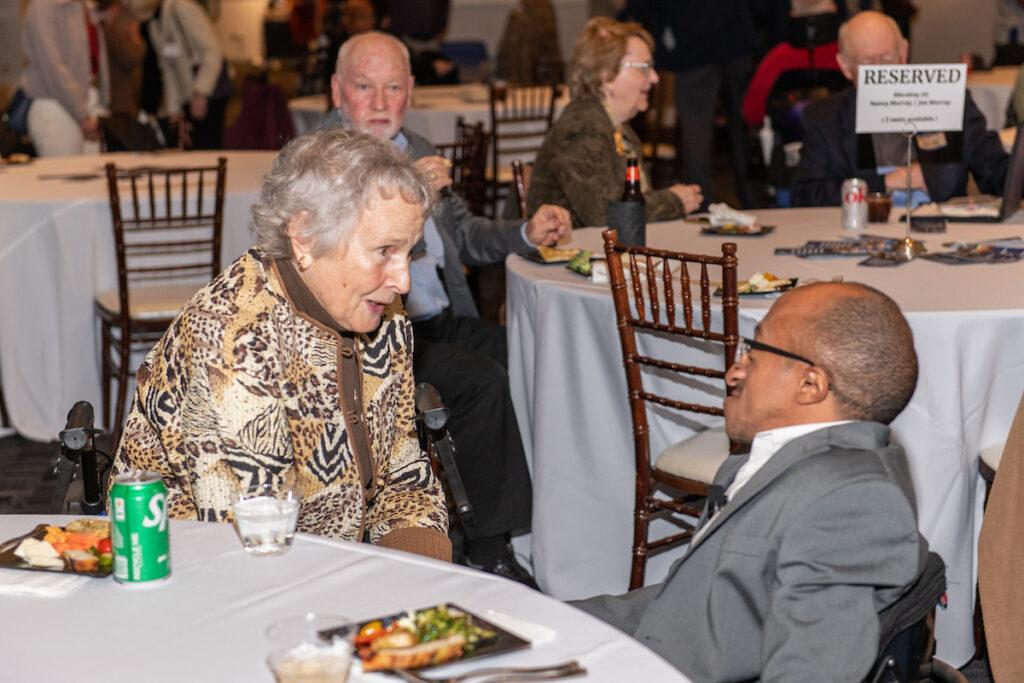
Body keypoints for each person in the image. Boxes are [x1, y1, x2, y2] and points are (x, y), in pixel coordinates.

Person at [109, 128, 452, 562]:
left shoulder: (384, 312)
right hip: (202, 581)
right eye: (385, 250)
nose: (402, 279)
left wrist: (421, 576)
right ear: (304, 238)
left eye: (409, 252)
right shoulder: (232, 340)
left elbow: (403, 471)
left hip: (332, 569)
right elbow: (257, 545)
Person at [572, 281, 929, 680]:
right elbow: (690, 604)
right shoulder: (764, 462)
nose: (733, 371)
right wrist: (550, 621)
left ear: (810, 385)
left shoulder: (853, 501)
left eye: (754, 352)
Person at [325, 31, 571, 584]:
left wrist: (526, 231)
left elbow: (468, 235)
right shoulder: (320, 163)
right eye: (366, 87)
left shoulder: (412, 145)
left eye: (393, 87)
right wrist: (408, 190)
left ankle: (552, 523)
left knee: (534, 354)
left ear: (412, 90)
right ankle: (489, 549)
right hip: (368, 337)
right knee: (481, 382)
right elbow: (331, 260)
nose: (381, 103)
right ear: (338, 91)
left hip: (437, 321)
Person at [793, 10, 1009, 207]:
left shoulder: (947, 101)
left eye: (888, 58)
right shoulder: (825, 119)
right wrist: (884, 183)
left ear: (903, 53)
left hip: (941, 232)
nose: (881, 72)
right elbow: (806, 197)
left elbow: (996, 173)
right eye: (867, 63)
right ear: (845, 66)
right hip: (863, 231)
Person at [527, 18, 702, 228]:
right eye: (643, 68)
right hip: (571, 256)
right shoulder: (582, 127)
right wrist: (673, 201)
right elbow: (604, 214)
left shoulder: (616, 126)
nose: (655, 78)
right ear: (606, 76)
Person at [627, 0, 756, 209]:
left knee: (699, 137)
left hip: (694, 43)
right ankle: (752, 202)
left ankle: (701, 207)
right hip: (733, 38)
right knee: (743, 131)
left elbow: (640, 8)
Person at [19, 0, 110, 157]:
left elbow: (97, 61)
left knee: (96, 176)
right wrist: (82, 115)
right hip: (55, 105)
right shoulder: (43, 5)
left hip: (90, 102)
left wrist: (103, 105)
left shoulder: (84, 6)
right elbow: (52, 66)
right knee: (65, 177)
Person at [136, 0, 229, 149]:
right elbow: (168, 70)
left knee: (207, 148)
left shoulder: (182, 8)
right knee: (188, 146)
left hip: (209, 92)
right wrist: (173, 111)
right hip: (188, 96)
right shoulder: (154, 25)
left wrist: (201, 93)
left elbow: (212, 52)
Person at [495, 0, 564, 85]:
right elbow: (508, 50)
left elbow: (547, 51)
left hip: (532, 82)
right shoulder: (517, 11)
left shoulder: (542, 9)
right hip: (516, 80)